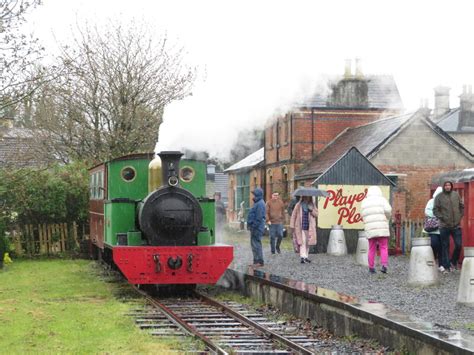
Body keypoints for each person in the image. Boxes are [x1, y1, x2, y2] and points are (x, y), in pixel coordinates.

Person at [360, 186, 392, 274]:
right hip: (382, 227)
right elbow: (388, 210)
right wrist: (387, 218)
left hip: (370, 228)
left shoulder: (364, 202)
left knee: (371, 248)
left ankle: (371, 268)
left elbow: (362, 215)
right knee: (383, 247)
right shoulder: (382, 200)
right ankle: (384, 266)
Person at [433, 181, 464, 271]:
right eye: (446, 185)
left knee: (458, 245)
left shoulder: (456, 195)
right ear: (443, 186)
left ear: (451, 186)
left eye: (449, 185)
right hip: (444, 225)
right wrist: (442, 217)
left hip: (456, 225)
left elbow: (461, 206)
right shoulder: (439, 197)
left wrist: (460, 216)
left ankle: (453, 261)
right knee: (445, 245)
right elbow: (435, 210)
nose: (447, 187)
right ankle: (447, 266)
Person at [290, 196, 318, 264]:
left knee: (308, 242)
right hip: (300, 226)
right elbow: (294, 215)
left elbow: (316, 214)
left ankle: (306, 256)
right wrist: (292, 225)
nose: (306, 198)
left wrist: (311, 210)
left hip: (309, 227)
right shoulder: (298, 205)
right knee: (302, 242)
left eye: (308, 197)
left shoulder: (312, 205)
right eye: (305, 197)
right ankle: (303, 256)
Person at [424, 187, 443, 271]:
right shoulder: (431, 202)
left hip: (443, 228)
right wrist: (437, 215)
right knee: (434, 245)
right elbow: (427, 211)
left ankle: (441, 265)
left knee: (442, 247)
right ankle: (433, 260)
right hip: (433, 228)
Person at [246, 187, 266, 267]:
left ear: (258, 194)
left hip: (257, 228)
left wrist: (253, 226)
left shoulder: (260, 203)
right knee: (254, 244)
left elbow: (259, 217)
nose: (253, 196)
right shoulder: (257, 202)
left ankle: (259, 261)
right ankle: (255, 261)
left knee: (256, 244)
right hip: (255, 227)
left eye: (254, 194)